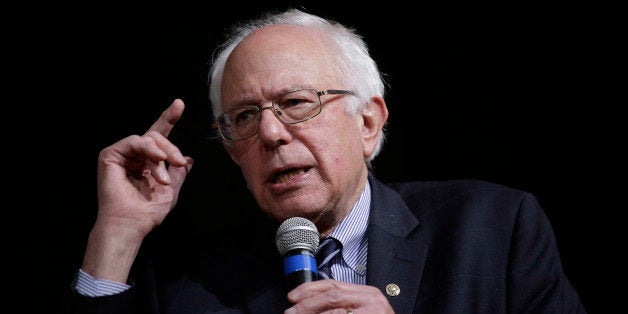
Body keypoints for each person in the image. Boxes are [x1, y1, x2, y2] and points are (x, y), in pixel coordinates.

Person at [69, 8, 586, 313]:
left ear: (368, 123)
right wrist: (114, 236)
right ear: (232, 151)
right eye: (245, 116)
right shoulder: (191, 290)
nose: (271, 133)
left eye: (296, 104)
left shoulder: (493, 230)